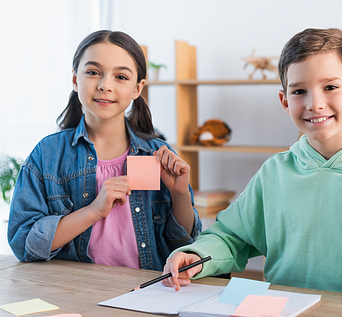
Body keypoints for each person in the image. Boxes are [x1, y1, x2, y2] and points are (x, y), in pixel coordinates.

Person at [162, 28, 342, 303]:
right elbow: (231, 236)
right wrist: (196, 254)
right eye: (299, 91)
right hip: (282, 308)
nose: (315, 103)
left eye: (330, 87)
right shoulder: (276, 171)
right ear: (285, 101)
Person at [8, 30, 201, 271]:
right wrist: (93, 211)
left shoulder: (157, 155)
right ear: (75, 79)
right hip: (74, 291)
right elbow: (23, 244)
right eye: (93, 72)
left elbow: (185, 243)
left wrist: (180, 194)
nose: (105, 85)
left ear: (137, 88)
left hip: (145, 290)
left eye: (121, 76)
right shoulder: (47, 154)